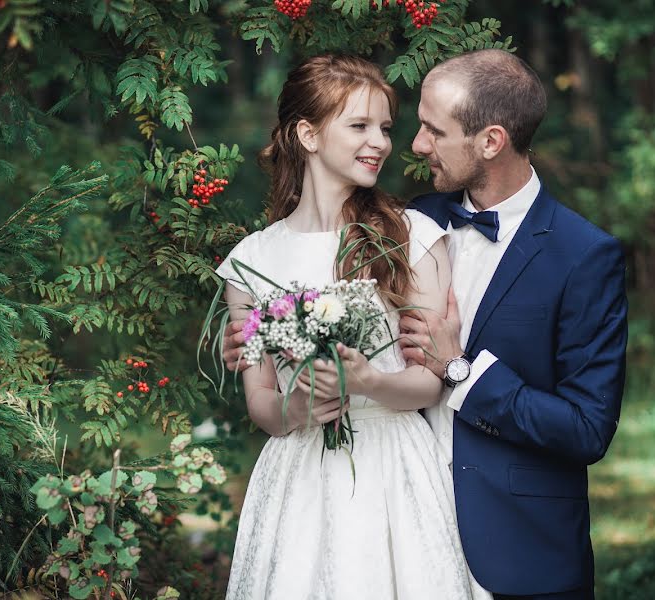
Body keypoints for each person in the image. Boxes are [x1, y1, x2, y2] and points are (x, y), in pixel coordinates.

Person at [216, 55, 490, 599]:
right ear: (308, 134)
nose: (381, 142)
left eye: (386, 128)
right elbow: (260, 401)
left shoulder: (411, 236)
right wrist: (294, 409)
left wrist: (368, 381)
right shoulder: (251, 261)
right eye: (360, 125)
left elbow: (429, 382)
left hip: (393, 464)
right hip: (300, 472)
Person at [396, 49, 628, 600]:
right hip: (405, 533)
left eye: (434, 130)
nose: (417, 144)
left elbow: (587, 428)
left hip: (522, 553)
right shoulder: (413, 221)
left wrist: (461, 372)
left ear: (491, 141)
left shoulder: (584, 256)